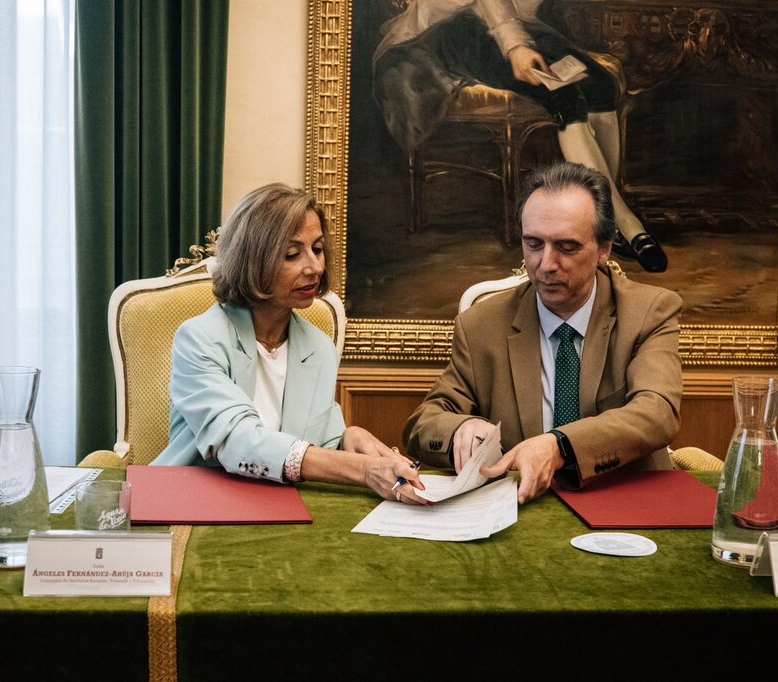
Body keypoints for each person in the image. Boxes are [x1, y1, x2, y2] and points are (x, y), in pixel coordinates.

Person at [404, 162, 682, 504]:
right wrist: (459, 430)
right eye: (533, 244)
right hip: (521, 511)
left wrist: (559, 445)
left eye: (566, 247)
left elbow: (657, 413)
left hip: (627, 505)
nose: (546, 264)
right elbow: (424, 425)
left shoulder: (649, 311)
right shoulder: (480, 325)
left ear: (604, 250)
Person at [153, 184, 427, 505]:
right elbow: (237, 442)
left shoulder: (319, 348)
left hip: (283, 507)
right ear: (252, 260)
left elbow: (317, 440)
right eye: (292, 254)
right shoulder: (200, 338)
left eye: (318, 249)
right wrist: (364, 469)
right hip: (197, 504)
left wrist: (349, 437)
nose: (314, 268)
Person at [373, 0, 667, 272]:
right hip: (450, 29)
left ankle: (604, 222)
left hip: (514, 24)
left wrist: (520, 36)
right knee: (564, 96)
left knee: (601, 86)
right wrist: (515, 46)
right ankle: (626, 224)